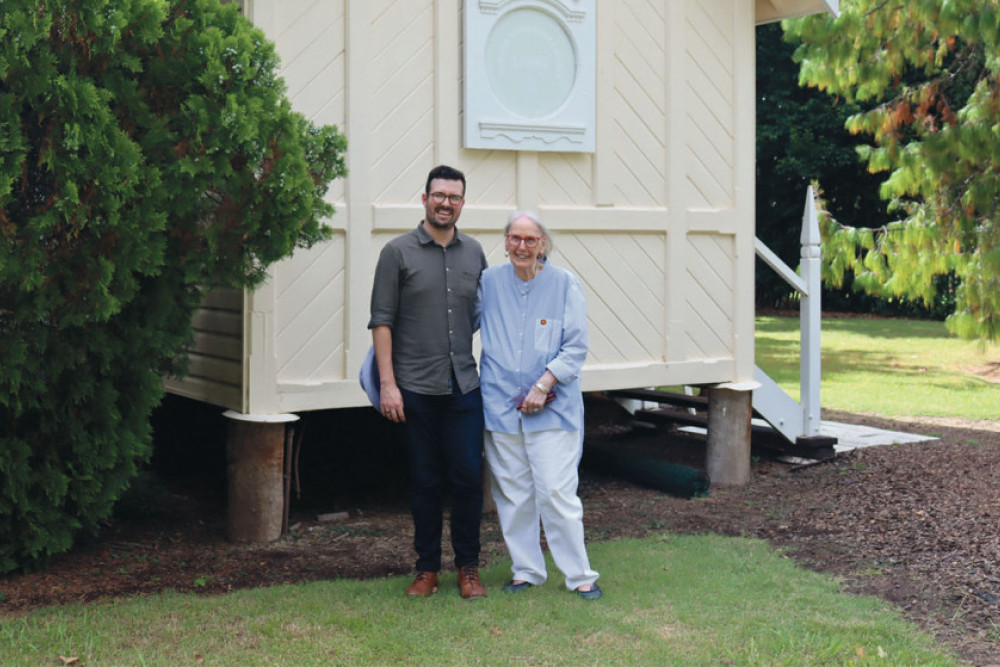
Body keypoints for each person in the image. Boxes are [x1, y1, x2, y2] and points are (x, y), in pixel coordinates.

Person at [368, 165, 489, 599]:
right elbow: (381, 321)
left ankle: (469, 569)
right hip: (414, 387)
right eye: (439, 195)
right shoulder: (397, 253)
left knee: (467, 479)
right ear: (424, 199)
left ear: (462, 203)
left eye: (454, 197)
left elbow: (488, 312)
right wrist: (388, 384)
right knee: (424, 480)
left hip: (464, 388)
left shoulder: (474, 253)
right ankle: (426, 570)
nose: (446, 203)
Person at [478, 210, 602, 600]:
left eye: (530, 240)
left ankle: (580, 574)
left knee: (555, 492)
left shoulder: (565, 284)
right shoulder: (489, 282)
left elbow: (576, 346)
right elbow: (460, 324)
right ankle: (527, 570)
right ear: (505, 242)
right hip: (500, 405)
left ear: (543, 244)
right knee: (513, 494)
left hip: (553, 408)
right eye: (515, 238)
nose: (521, 246)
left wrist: (544, 382)